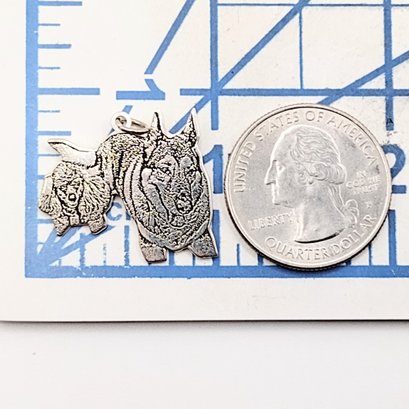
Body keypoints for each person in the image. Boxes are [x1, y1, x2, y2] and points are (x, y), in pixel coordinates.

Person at [264, 125, 359, 243]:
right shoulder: (307, 233)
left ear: (311, 171)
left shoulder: (327, 230)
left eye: (279, 167)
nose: (268, 179)